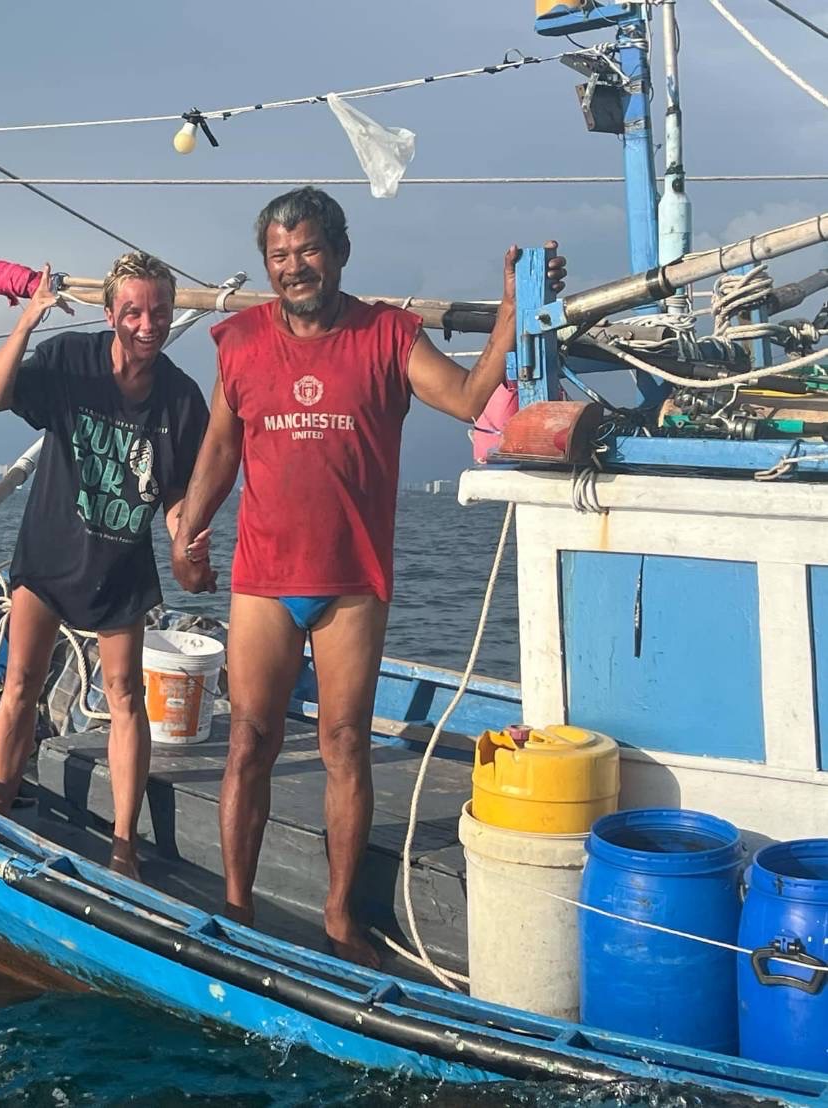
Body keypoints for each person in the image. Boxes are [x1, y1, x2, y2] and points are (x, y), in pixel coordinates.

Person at [169, 187, 565, 965]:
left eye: (308, 250)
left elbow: (463, 398)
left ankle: (340, 916)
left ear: (339, 252)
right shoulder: (240, 341)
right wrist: (189, 527)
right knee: (249, 739)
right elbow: (221, 447)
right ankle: (236, 903)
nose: (294, 267)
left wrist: (512, 315)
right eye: (279, 257)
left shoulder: (386, 333)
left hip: (350, 581)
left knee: (345, 742)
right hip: (261, 578)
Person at [0, 251, 210, 878]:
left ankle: (124, 845)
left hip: (121, 571)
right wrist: (29, 321)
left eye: (158, 311)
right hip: (51, 555)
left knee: (125, 697)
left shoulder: (184, 401)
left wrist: (186, 537)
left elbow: (175, 496)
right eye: (132, 310)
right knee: (21, 683)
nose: (146, 323)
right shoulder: (69, 363)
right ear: (110, 313)